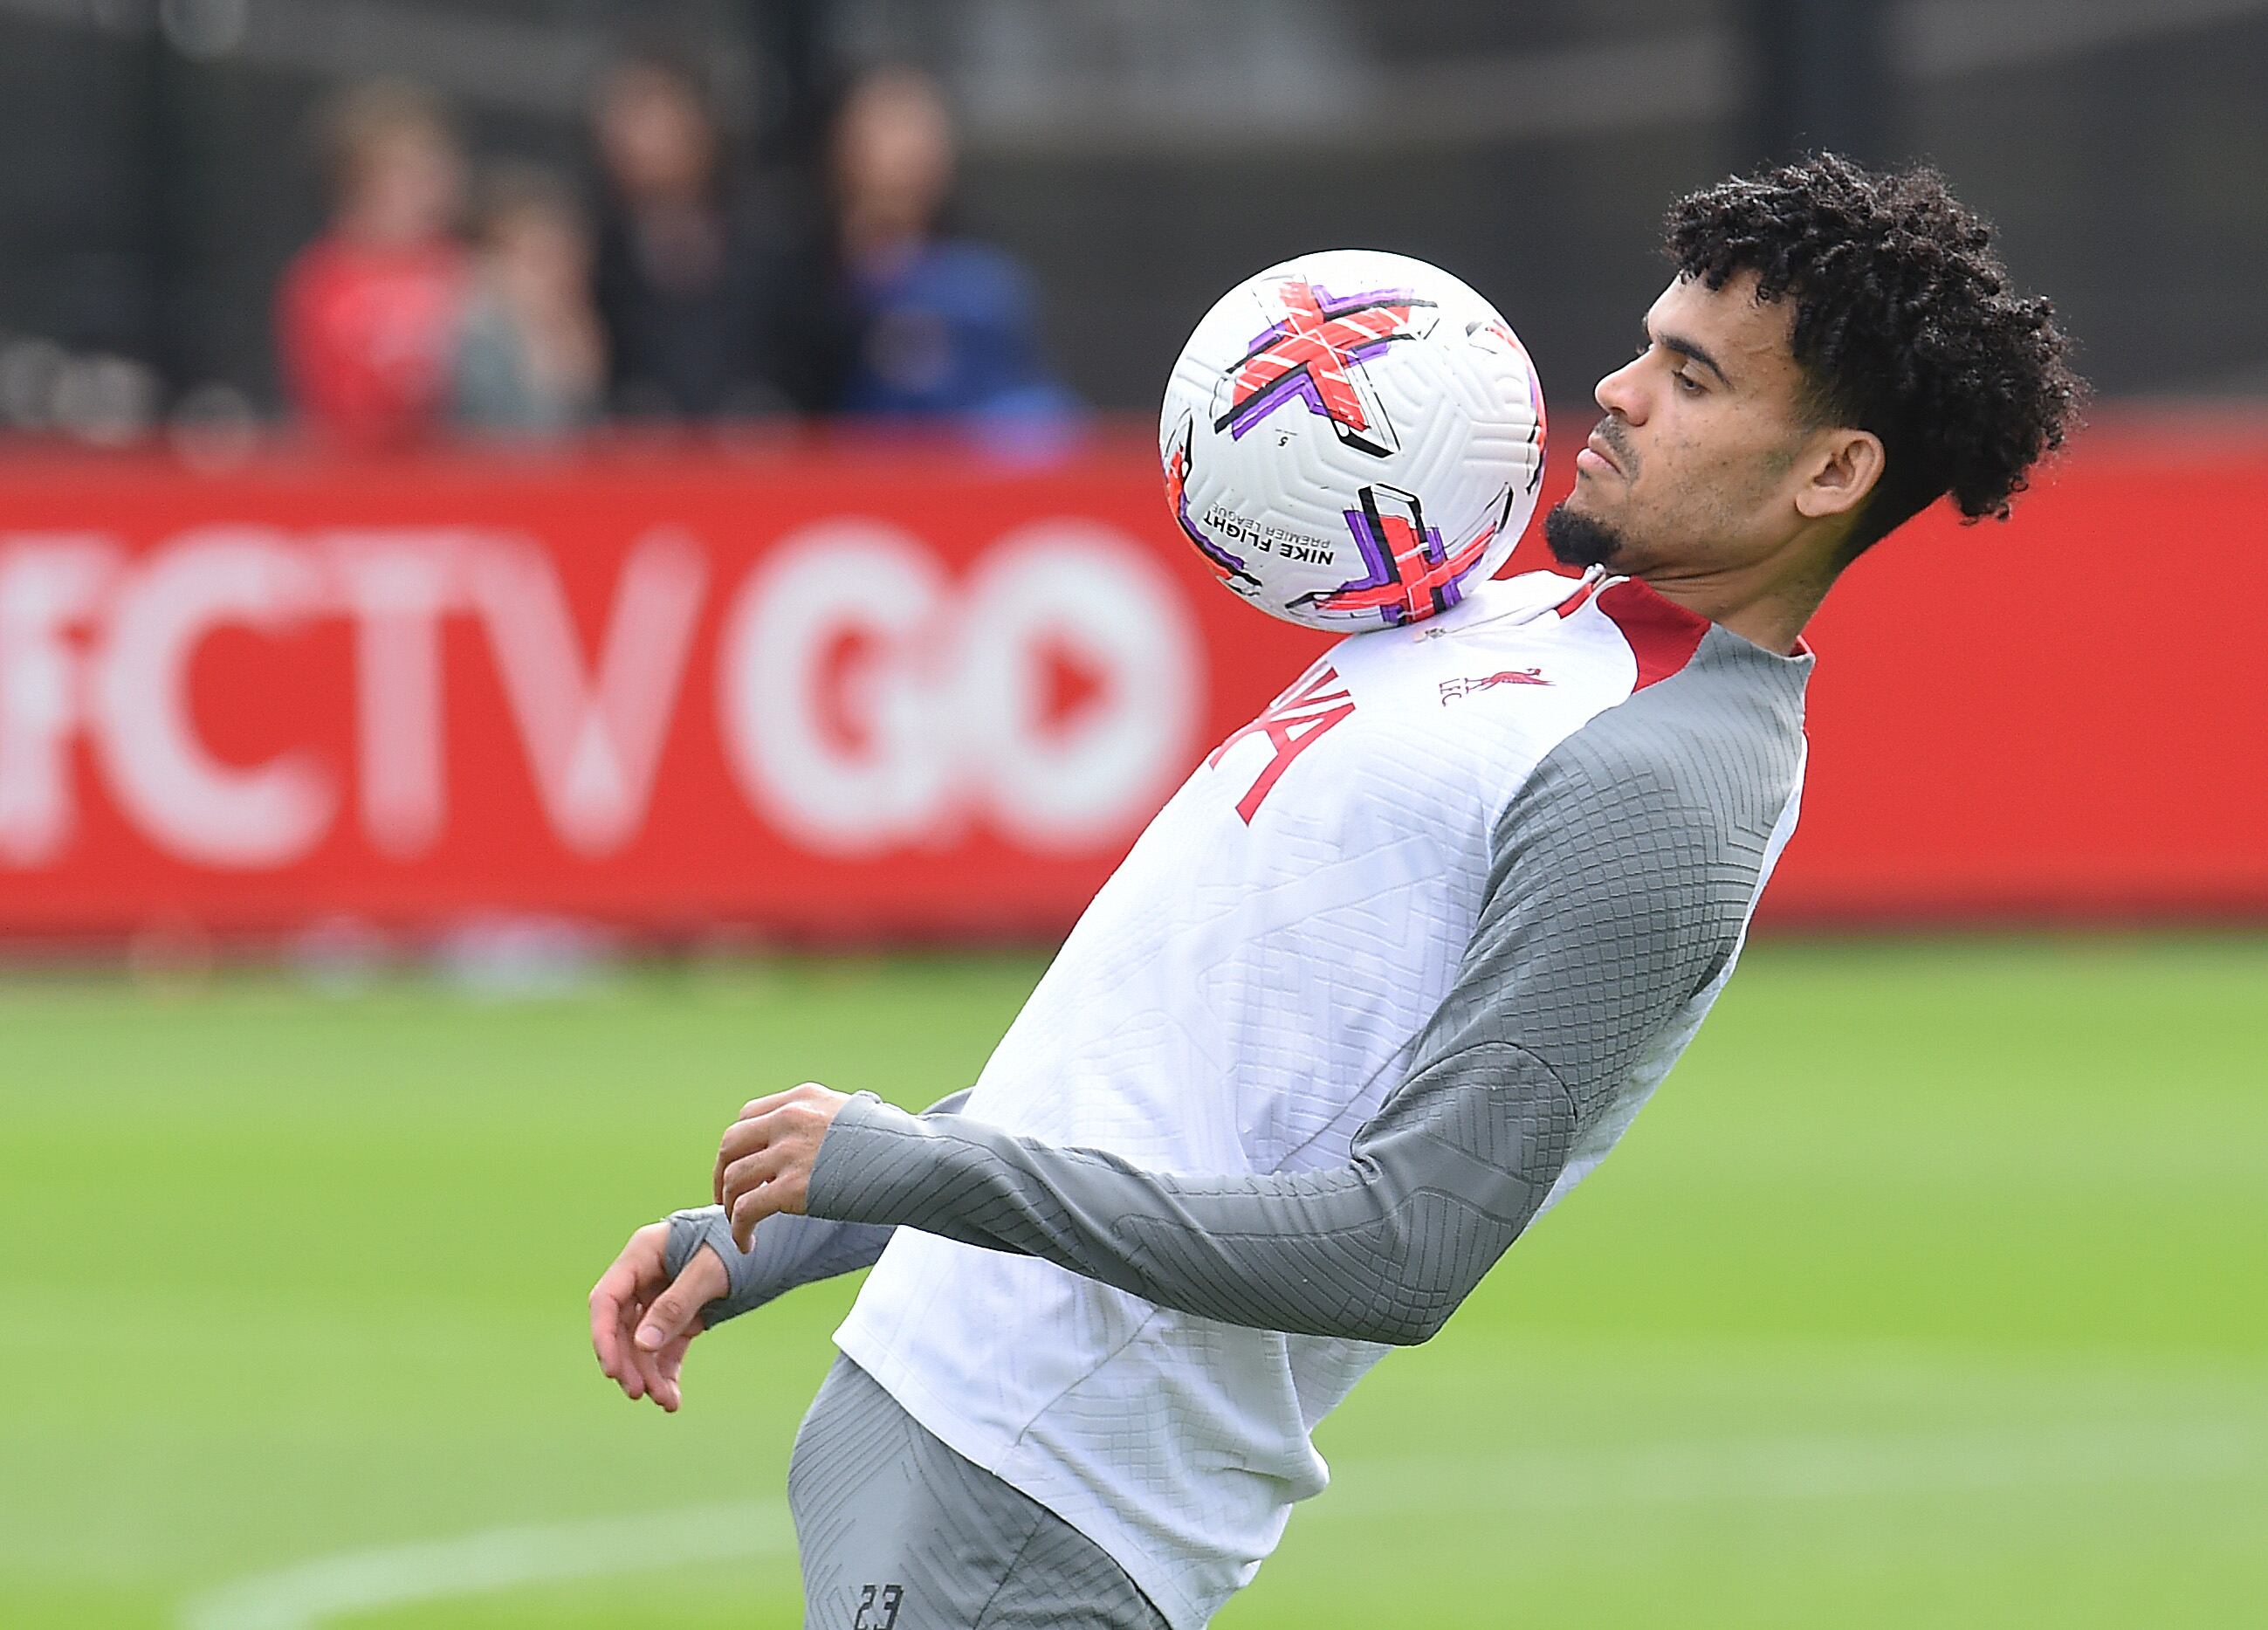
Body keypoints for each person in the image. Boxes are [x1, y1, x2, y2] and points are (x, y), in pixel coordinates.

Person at [590, 155, 2080, 1627]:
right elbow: (1157, 1060)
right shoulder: (1510, 616)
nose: (1617, 390)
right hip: (936, 1418)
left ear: (1831, 472)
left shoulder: (1663, 787)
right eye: (1643, 345)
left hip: (1041, 1501)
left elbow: (1401, 1245)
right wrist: (789, 1228)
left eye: (1692, 381)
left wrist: (917, 1172)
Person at [828, 65, 1077, 425]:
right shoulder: (802, 280)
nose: (909, 149)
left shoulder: (987, 283)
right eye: (891, 127)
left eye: (924, 131)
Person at [588, 53, 828, 420]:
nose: (643, 143)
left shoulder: (773, 237)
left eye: (658, 121)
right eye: (626, 123)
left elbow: (810, 356)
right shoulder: (597, 255)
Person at [275, 81, 469, 451]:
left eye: (436, 170)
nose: (432, 188)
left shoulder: (464, 269)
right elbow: (333, 404)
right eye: (409, 172)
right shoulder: (324, 280)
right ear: (356, 182)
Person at [450, 164, 605, 437]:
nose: (556, 272)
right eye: (536, 259)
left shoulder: (579, 324)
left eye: (563, 257)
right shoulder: (474, 334)